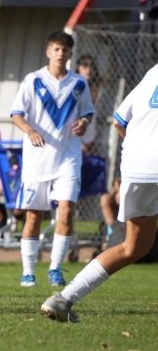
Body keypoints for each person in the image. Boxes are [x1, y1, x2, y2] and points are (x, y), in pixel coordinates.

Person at [41, 63, 158, 322]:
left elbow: (119, 121)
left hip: (136, 165)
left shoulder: (153, 72)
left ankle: (64, 298)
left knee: (134, 246)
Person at [10, 31, 93, 287]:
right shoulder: (33, 80)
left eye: (65, 50)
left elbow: (88, 112)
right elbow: (16, 113)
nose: (60, 54)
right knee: (34, 216)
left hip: (68, 157)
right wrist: (30, 130)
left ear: (70, 54)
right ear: (48, 51)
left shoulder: (79, 83)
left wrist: (83, 123)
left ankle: (56, 268)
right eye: (56, 49)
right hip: (38, 160)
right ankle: (28, 271)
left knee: (67, 210)